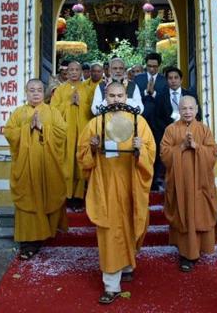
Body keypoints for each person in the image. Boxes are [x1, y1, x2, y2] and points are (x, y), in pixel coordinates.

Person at [77, 81, 156, 304]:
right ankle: (111, 285)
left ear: (127, 97)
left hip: (131, 183)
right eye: (111, 96)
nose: (116, 100)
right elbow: (82, 156)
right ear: (105, 97)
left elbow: (151, 153)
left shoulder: (139, 122)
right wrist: (92, 147)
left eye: (120, 95)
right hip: (106, 185)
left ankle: (128, 264)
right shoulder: (95, 124)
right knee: (110, 232)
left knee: (132, 224)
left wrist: (142, 149)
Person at [3, 79, 67, 260]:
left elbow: (62, 133)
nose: (36, 93)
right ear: (26, 92)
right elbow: (9, 133)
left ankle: (45, 235)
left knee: (47, 196)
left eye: (39, 90)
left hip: (46, 166)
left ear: (44, 92)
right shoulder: (18, 113)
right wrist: (27, 127)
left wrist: (43, 128)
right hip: (25, 167)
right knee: (28, 201)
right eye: (32, 90)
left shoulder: (52, 112)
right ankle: (28, 243)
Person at [160, 95, 217, 272]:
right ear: (179, 110)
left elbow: (213, 153)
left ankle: (199, 249)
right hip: (181, 184)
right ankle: (186, 254)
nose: (187, 112)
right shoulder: (171, 129)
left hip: (200, 184)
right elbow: (164, 154)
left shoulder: (204, 130)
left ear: (197, 110)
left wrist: (197, 147)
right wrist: (182, 147)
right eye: (184, 108)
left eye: (191, 108)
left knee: (199, 213)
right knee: (183, 214)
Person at [51, 61, 93, 210]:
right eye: (71, 70)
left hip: (82, 132)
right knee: (66, 164)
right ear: (66, 72)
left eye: (77, 69)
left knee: (80, 163)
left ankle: (78, 197)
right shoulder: (60, 90)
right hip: (66, 134)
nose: (74, 72)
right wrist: (69, 102)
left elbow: (92, 111)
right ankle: (66, 196)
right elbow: (53, 111)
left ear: (81, 71)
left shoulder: (88, 90)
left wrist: (81, 104)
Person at [152, 67, 199, 190]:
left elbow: (197, 115)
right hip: (168, 134)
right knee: (170, 159)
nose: (173, 81)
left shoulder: (190, 94)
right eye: (170, 78)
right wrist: (169, 130)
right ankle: (166, 183)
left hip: (188, 133)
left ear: (181, 79)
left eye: (176, 78)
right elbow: (156, 118)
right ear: (166, 80)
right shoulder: (161, 96)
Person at [134, 52, 167, 126]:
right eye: (149, 66)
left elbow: (165, 100)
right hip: (141, 118)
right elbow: (133, 98)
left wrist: (153, 93)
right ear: (146, 65)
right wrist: (146, 92)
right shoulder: (138, 79)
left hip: (159, 120)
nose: (152, 69)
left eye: (155, 66)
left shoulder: (165, 81)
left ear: (159, 66)